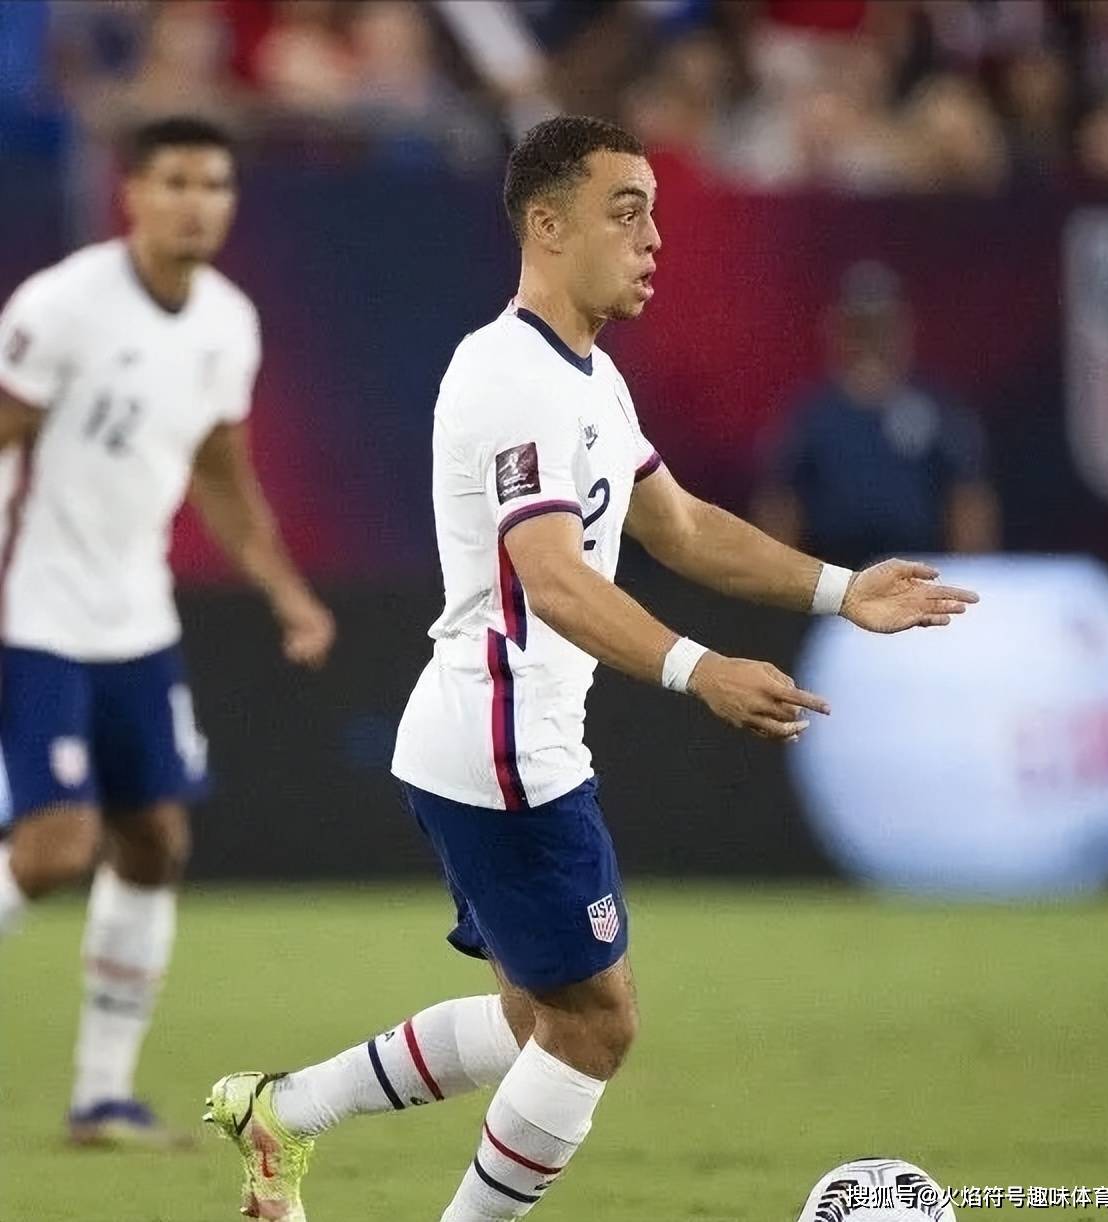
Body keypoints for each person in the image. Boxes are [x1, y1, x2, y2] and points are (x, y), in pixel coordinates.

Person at [205, 116, 976, 1222]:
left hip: (499, 734)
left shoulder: (592, 378)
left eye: (654, 213)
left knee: (541, 1019)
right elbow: (555, 579)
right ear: (547, 223)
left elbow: (682, 525)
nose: (654, 238)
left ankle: (281, 1110)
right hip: (504, 744)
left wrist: (840, 590)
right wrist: (700, 667)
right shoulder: (509, 375)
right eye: (627, 212)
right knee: (596, 1026)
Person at [0, 116, 335, 1147]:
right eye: (177, 181)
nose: (197, 202)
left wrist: (285, 590)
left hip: (137, 619)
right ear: (133, 193)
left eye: (215, 183)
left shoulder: (229, 322)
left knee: (154, 840)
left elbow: (222, 473)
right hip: (35, 611)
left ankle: (103, 1096)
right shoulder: (61, 305)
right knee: (55, 846)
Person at [753, 259, 1001, 570]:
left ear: (903, 330)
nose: (871, 344)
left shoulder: (940, 413)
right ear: (838, 332)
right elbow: (779, 508)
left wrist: (969, 576)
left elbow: (969, 503)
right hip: (837, 577)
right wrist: (787, 581)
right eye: (860, 330)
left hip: (920, 575)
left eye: (881, 329)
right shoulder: (811, 417)